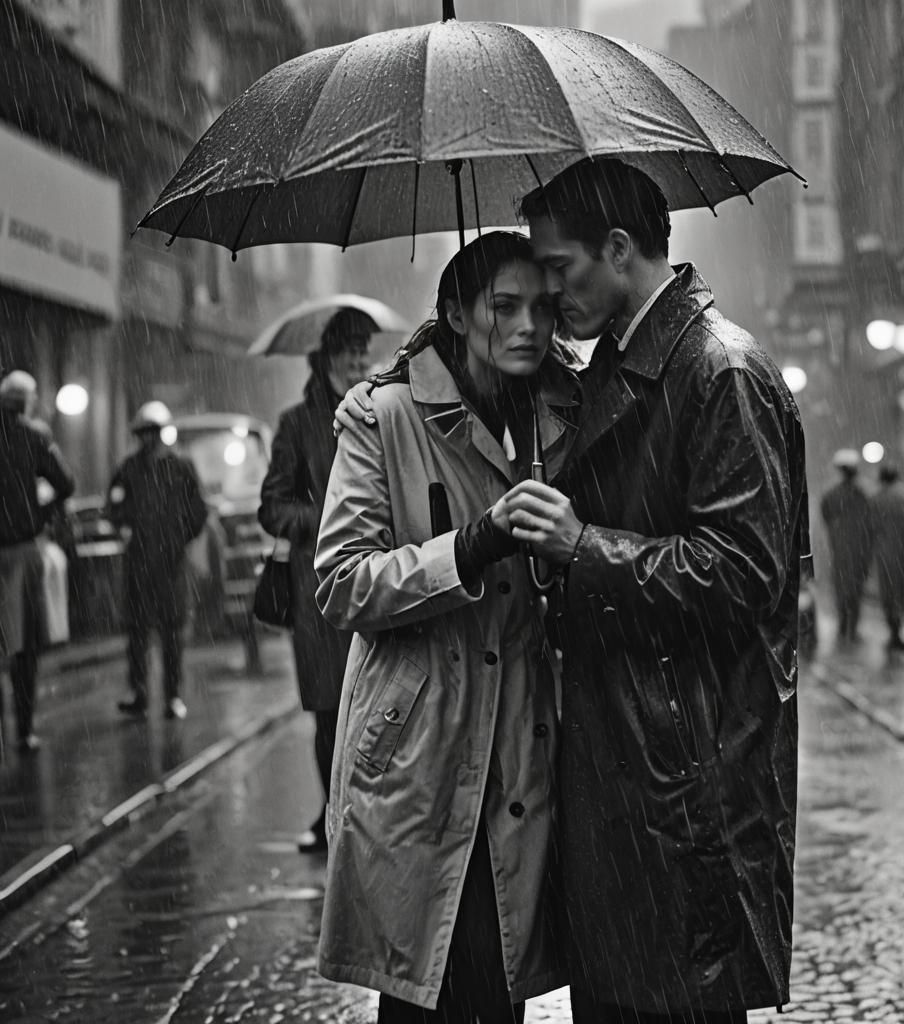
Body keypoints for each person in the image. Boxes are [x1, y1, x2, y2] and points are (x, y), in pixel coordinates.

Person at [337, 158, 807, 1024]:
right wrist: (430, 353)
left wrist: (581, 549)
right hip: (605, 765)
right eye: (518, 294)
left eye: (555, 279)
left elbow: (742, 574)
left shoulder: (714, 373)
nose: (545, 308)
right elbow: (346, 577)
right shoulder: (610, 372)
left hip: (676, 771)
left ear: (618, 250)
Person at [314, 232, 573, 1022]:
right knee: (423, 987)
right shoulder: (382, 417)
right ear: (456, 313)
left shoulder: (564, 419)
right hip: (419, 748)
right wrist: (468, 546)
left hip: (524, 749)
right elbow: (341, 581)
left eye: (543, 307)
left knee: (498, 990)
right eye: (504, 307)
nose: (529, 326)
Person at [258, 310, 372, 854]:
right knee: (331, 713)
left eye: (365, 351)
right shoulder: (297, 424)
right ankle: (333, 816)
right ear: (327, 357)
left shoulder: (377, 411)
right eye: (350, 351)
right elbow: (272, 508)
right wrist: (323, 517)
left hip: (374, 581)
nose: (359, 361)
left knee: (378, 708)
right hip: (320, 594)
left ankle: (369, 816)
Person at [108, 401, 208, 721]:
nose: (148, 439)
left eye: (153, 433)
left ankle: (172, 694)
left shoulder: (180, 467)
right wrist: (126, 526)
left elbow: (198, 510)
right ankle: (139, 690)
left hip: (171, 563)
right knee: (137, 632)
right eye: (144, 433)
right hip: (139, 563)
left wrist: (178, 539)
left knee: (171, 632)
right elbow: (113, 506)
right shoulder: (130, 468)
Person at [0, 370, 75, 752]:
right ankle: (24, 730)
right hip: (24, 551)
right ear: (27, 403)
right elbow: (66, 483)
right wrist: (38, 508)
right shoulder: (34, 437)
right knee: (24, 646)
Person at [820, 448, 873, 644]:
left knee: (843, 588)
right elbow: (871, 521)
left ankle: (844, 623)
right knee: (855, 589)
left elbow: (825, 516)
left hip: (841, 550)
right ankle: (851, 625)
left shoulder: (832, 495)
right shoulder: (863, 494)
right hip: (858, 550)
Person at [869, 463, 904, 652]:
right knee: (901, 593)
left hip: (884, 553)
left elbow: (870, 527)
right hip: (903, 554)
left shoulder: (876, 498)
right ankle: (897, 631)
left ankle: (893, 630)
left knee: (888, 594)